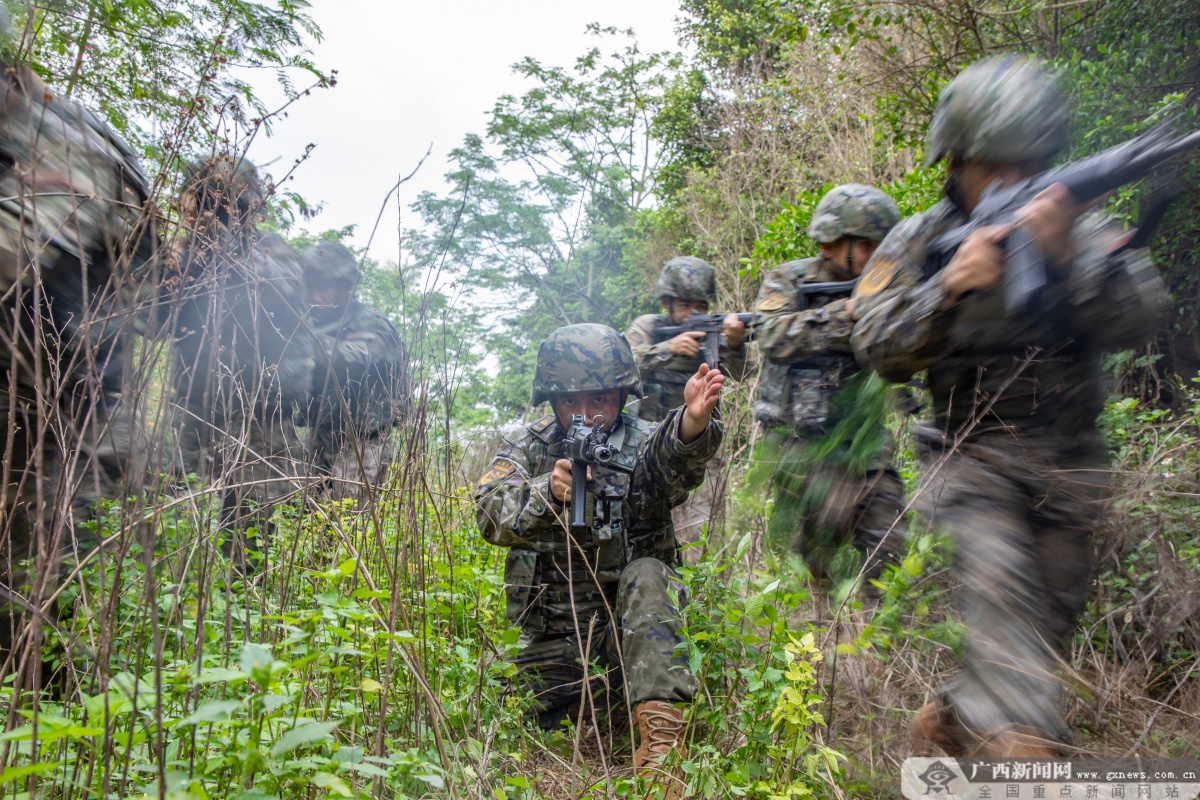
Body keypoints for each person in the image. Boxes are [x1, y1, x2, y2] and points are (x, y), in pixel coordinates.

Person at [850, 56, 1166, 757]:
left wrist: (1070, 263)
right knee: (1012, 650)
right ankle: (1026, 759)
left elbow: (1141, 319)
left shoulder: (1074, 223)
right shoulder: (918, 240)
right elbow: (872, 343)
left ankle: (956, 719)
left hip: (1070, 469)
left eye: (1033, 162)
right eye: (997, 165)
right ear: (956, 160)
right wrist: (945, 292)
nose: (1016, 182)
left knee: (1037, 639)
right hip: (971, 464)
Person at [475, 323, 724, 797]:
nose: (585, 414)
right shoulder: (528, 446)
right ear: (552, 402)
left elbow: (674, 462)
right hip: (556, 643)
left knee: (649, 573)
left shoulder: (645, 439)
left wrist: (692, 422)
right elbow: (488, 513)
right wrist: (544, 493)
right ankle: (593, 709)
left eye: (599, 401)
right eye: (571, 403)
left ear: (622, 396)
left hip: (629, 646)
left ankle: (661, 756)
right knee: (506, 704)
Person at [0, 58, 154, 669]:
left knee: (34, 617)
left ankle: (46, 747)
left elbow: (14, 252)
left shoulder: (69, 138)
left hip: (61, 430)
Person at [169, 156, 315, 569]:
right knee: (178, 514)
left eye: (217, 201)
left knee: (249, 532)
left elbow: (281, 295)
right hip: (197, 406)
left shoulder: (271, 251)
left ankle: (244, 605)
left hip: (257, 416)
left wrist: (224, 250)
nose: (203, 210)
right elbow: (156, 318)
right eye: (202, 200)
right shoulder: (187, 255)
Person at [752, 184, 904, 582]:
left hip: (863, 436)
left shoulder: (888, 282)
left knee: (888, 536)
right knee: (819, 551)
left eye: (881, 245)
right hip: (801, 440)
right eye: (868, 245)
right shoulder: (788, 279)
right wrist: (846, 314)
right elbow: (770, 335)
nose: (878, 257)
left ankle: (882, 629)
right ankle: (822, 626)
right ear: (831, 243)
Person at [625, 257, 750, 544]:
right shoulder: (648, 327)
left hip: (700, 449)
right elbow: (623, 366)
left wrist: (733, 342)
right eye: (685, 305)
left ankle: (705, 587)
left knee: (704, 531)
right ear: (666, 302)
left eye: (702, 306)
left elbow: (742, 374)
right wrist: (668, 349)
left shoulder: (713, 333)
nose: (695, 313)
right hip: (648, 443)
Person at [301, 241, 406, 500]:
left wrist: (305, 345)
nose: (316, 296)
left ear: (345, 285)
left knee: (349, 522)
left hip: (363, 442)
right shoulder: (309, 324)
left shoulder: (373, 323)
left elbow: (358, 358)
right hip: (320, 438)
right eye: (311, 287)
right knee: (305, 524)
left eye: (324, 287)